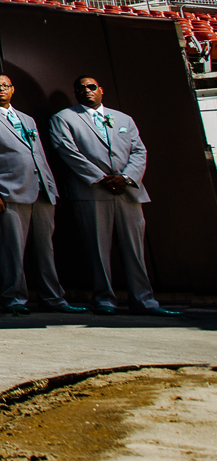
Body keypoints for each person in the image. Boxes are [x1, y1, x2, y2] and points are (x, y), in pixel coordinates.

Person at [49, 76, 180, 317]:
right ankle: (104, 300)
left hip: (128, 191)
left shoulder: (123, 119)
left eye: (91, 87)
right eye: (80, 89)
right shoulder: (63, 118)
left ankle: (144, 301)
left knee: (135, 250)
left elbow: (139, 150)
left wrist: (127, 178)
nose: (86, 91)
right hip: (92, 192)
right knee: (97, 250)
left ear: (101, 90)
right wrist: (101, 178)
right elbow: (67, 150)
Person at [0, 73, 83, 316]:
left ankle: (53, 298)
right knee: (11, 251)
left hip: (41, 191)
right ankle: (14, 298)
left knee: (45, 251)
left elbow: (38, 154)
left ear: (13, 89)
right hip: (9, 192)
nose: (1, 89)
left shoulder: (27, 119)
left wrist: (50, 186)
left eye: (5, 85)